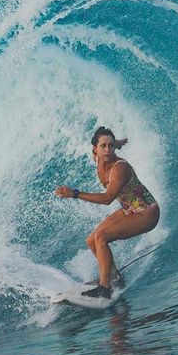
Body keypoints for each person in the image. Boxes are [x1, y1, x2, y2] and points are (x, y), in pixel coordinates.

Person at [54, 126, 160, 299]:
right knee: (91, 241)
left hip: (146, 212)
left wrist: (74, 193)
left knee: (101, 237)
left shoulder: (120, 168)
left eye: (111, 146)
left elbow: (107, 199)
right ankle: (114, 278)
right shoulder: (98, 157)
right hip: (129, 208)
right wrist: (117, 142)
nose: (108, 150)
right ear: (95, 149)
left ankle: (104, 289)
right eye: (103, 146)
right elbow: (107, 144)